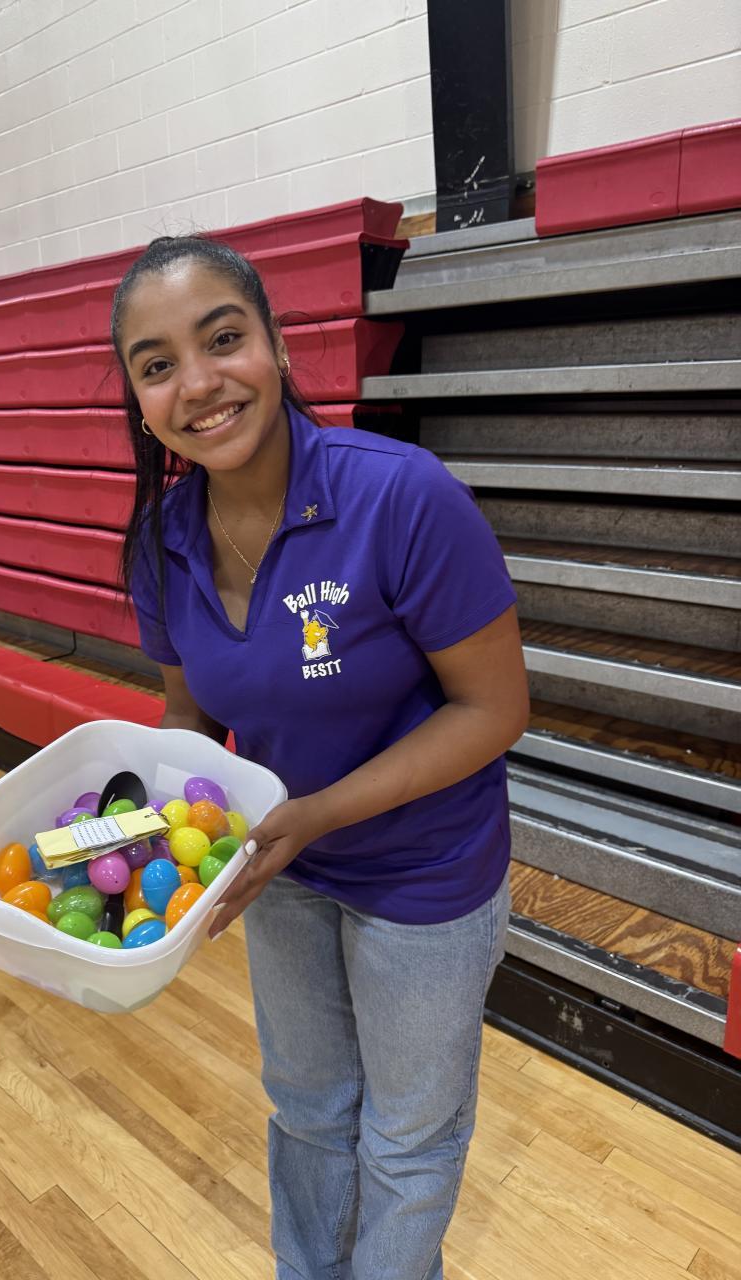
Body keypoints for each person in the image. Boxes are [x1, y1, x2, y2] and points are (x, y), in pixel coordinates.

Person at [111, 235, 530, 1280]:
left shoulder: (403, 496)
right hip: (286, 865)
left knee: (407, 1137)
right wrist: (137, 840)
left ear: (279, 345)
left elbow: (494, 709)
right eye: (158, 364)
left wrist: (314, 816)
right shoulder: (161, 540)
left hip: (425, 873)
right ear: (138, 398)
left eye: (223, 339)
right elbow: (189, 718)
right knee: (307, 1109)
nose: (197, 383)